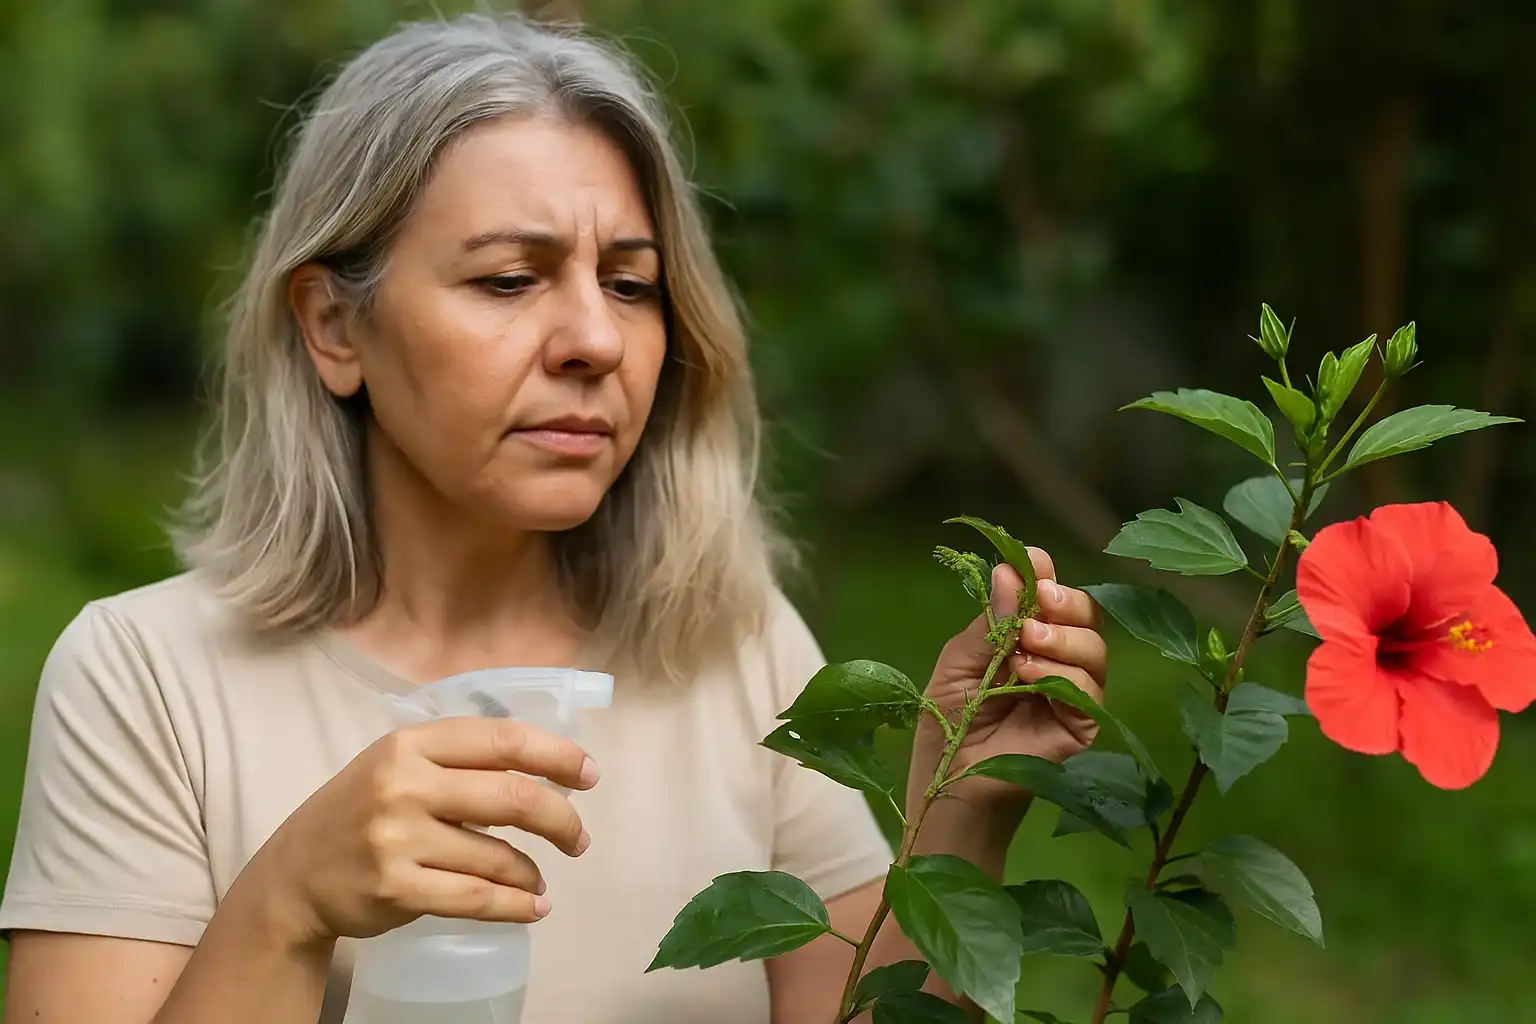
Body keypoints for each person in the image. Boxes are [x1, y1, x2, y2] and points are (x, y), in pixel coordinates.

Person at [0, 13, 1108, 1024]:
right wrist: (288, 902)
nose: (595, 340)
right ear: (334, 326)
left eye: (630, 284)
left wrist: (964, 816)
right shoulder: (143, 677)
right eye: (508, 280)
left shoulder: (736, 647)